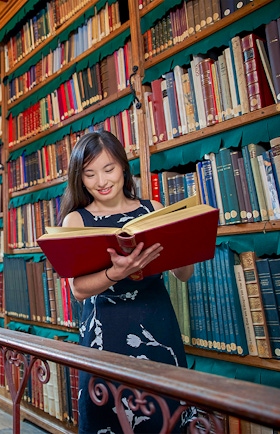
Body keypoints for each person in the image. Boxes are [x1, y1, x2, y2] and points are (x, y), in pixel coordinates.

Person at [59, 131, 195, 433]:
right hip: (106, 332)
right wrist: (115, 274)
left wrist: (184, 244)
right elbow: (78, 289)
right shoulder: (76, 221)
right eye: (90, 174)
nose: (101, 181)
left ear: (123, 166)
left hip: (158, 325)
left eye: (108, 169)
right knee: (109, 418)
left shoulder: (154, 210)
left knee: (164, 416)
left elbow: (184, 275)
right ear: (80, 178)